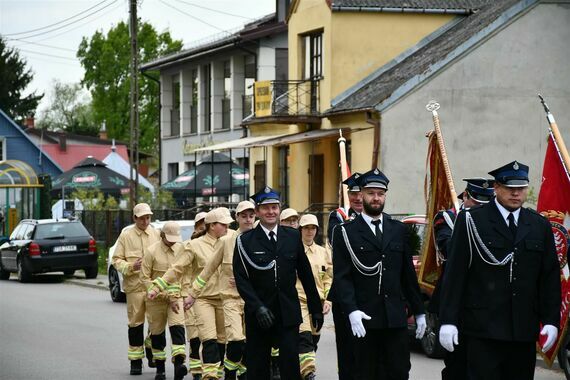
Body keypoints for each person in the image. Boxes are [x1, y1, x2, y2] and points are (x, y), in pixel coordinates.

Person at [438, 161, 561, 380]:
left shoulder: (538, 225)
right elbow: (455, 274)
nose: (516, 193)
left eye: (521, 188)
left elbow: (549, 278)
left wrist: (551, 320)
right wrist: (448, 320)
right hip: (483, 328)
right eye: (509, 188)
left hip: (522, 329)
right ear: (496, 188)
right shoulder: (473, 220)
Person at [332, 169, 426, 379]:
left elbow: (408, 276)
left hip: (394, 318)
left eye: (380, 193)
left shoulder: (398, 230)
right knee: (364, 372)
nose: (376, 198)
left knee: (399, 371)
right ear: (361, 195)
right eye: (371, 193)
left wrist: (419, 311)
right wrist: (351, 310)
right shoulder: (345, 232)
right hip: (364, 319)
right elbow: (342, 277)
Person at [233, 186, 324, 379]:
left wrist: (316, 307)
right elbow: (241, 280)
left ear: (279, 209)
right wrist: (258, 307)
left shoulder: (292, 236)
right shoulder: (245, 241)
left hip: (288, 312)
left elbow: (306, 274)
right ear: (257, 212)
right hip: (259, 314)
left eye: (274, 207)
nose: (271, 212)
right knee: (258, 367)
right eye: (265, 208)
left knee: (290, 365)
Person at [149, 208, 233, 380]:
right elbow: (177, 269)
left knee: (222, 342)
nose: (227, 227)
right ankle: (209, 376)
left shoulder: (230, 241)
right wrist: (158, 286)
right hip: (203, 300)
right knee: (208, 340)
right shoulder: (193, 245)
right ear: (211, 226)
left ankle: (216, 372)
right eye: (223, 224)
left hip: (225, 300)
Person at [428, 178, 495, 380]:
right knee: (457, 365)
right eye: (476, 202)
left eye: (485, 203)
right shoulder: (447, 218)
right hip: (456, 300)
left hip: (485, 301)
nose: (480, 207)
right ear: (465, 196)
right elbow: (449, 249)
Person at [185, 200, 256, 380]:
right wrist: (193, 294)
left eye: (251, 216)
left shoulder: (262, 241)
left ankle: (236, 371)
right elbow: (207, 270)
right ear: (237, 218)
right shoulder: (226, 241)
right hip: (231, 299)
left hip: (253, 300)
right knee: (236, 340)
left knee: (250, 342)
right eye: (244, 216)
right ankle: (228, 372)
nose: (248, 220)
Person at [112, 203, 161, 375]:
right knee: (136, 324)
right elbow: (116, 260)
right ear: (135, 218)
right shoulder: (126, 236)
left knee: (156, 323)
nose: (145, 221)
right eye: (141, 218)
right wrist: (132, 266)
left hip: (154, 286)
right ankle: (135, 361)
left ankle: (151, 351)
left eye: (148, 217)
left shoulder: (156, 234)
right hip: (134, 288)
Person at [327, 172, 362, 380]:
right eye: (353, 193)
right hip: (344, 294)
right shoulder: (339, 216)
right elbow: (334, 240)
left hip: (368, 293)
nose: (357, 198)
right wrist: (349, 223)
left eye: (360, 193)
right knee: (347, 349)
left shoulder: (373, 217)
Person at [141, 222, 187, 380]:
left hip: (177, 299)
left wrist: (180, 294)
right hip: (156, 300)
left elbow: (185, 275)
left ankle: (179, 366)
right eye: (169, 239)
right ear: (162, 236)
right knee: (157, 334)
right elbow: (144, 279)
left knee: (178, 330)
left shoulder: (182, 249)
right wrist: (165, 294)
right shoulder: (151, 251)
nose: (173, 241)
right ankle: (160, 369)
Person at [296, 214, 333, 380]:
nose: (309, 231)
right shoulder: (294, 250)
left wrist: (328, 300)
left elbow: (328, 277)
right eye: (306, 228)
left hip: (317, 303)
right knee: (304, 337)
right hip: (299, 300)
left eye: (312, 228)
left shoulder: (323, 252)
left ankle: (302, 368)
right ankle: (308, 373)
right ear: (300, 230)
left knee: (313, 339)